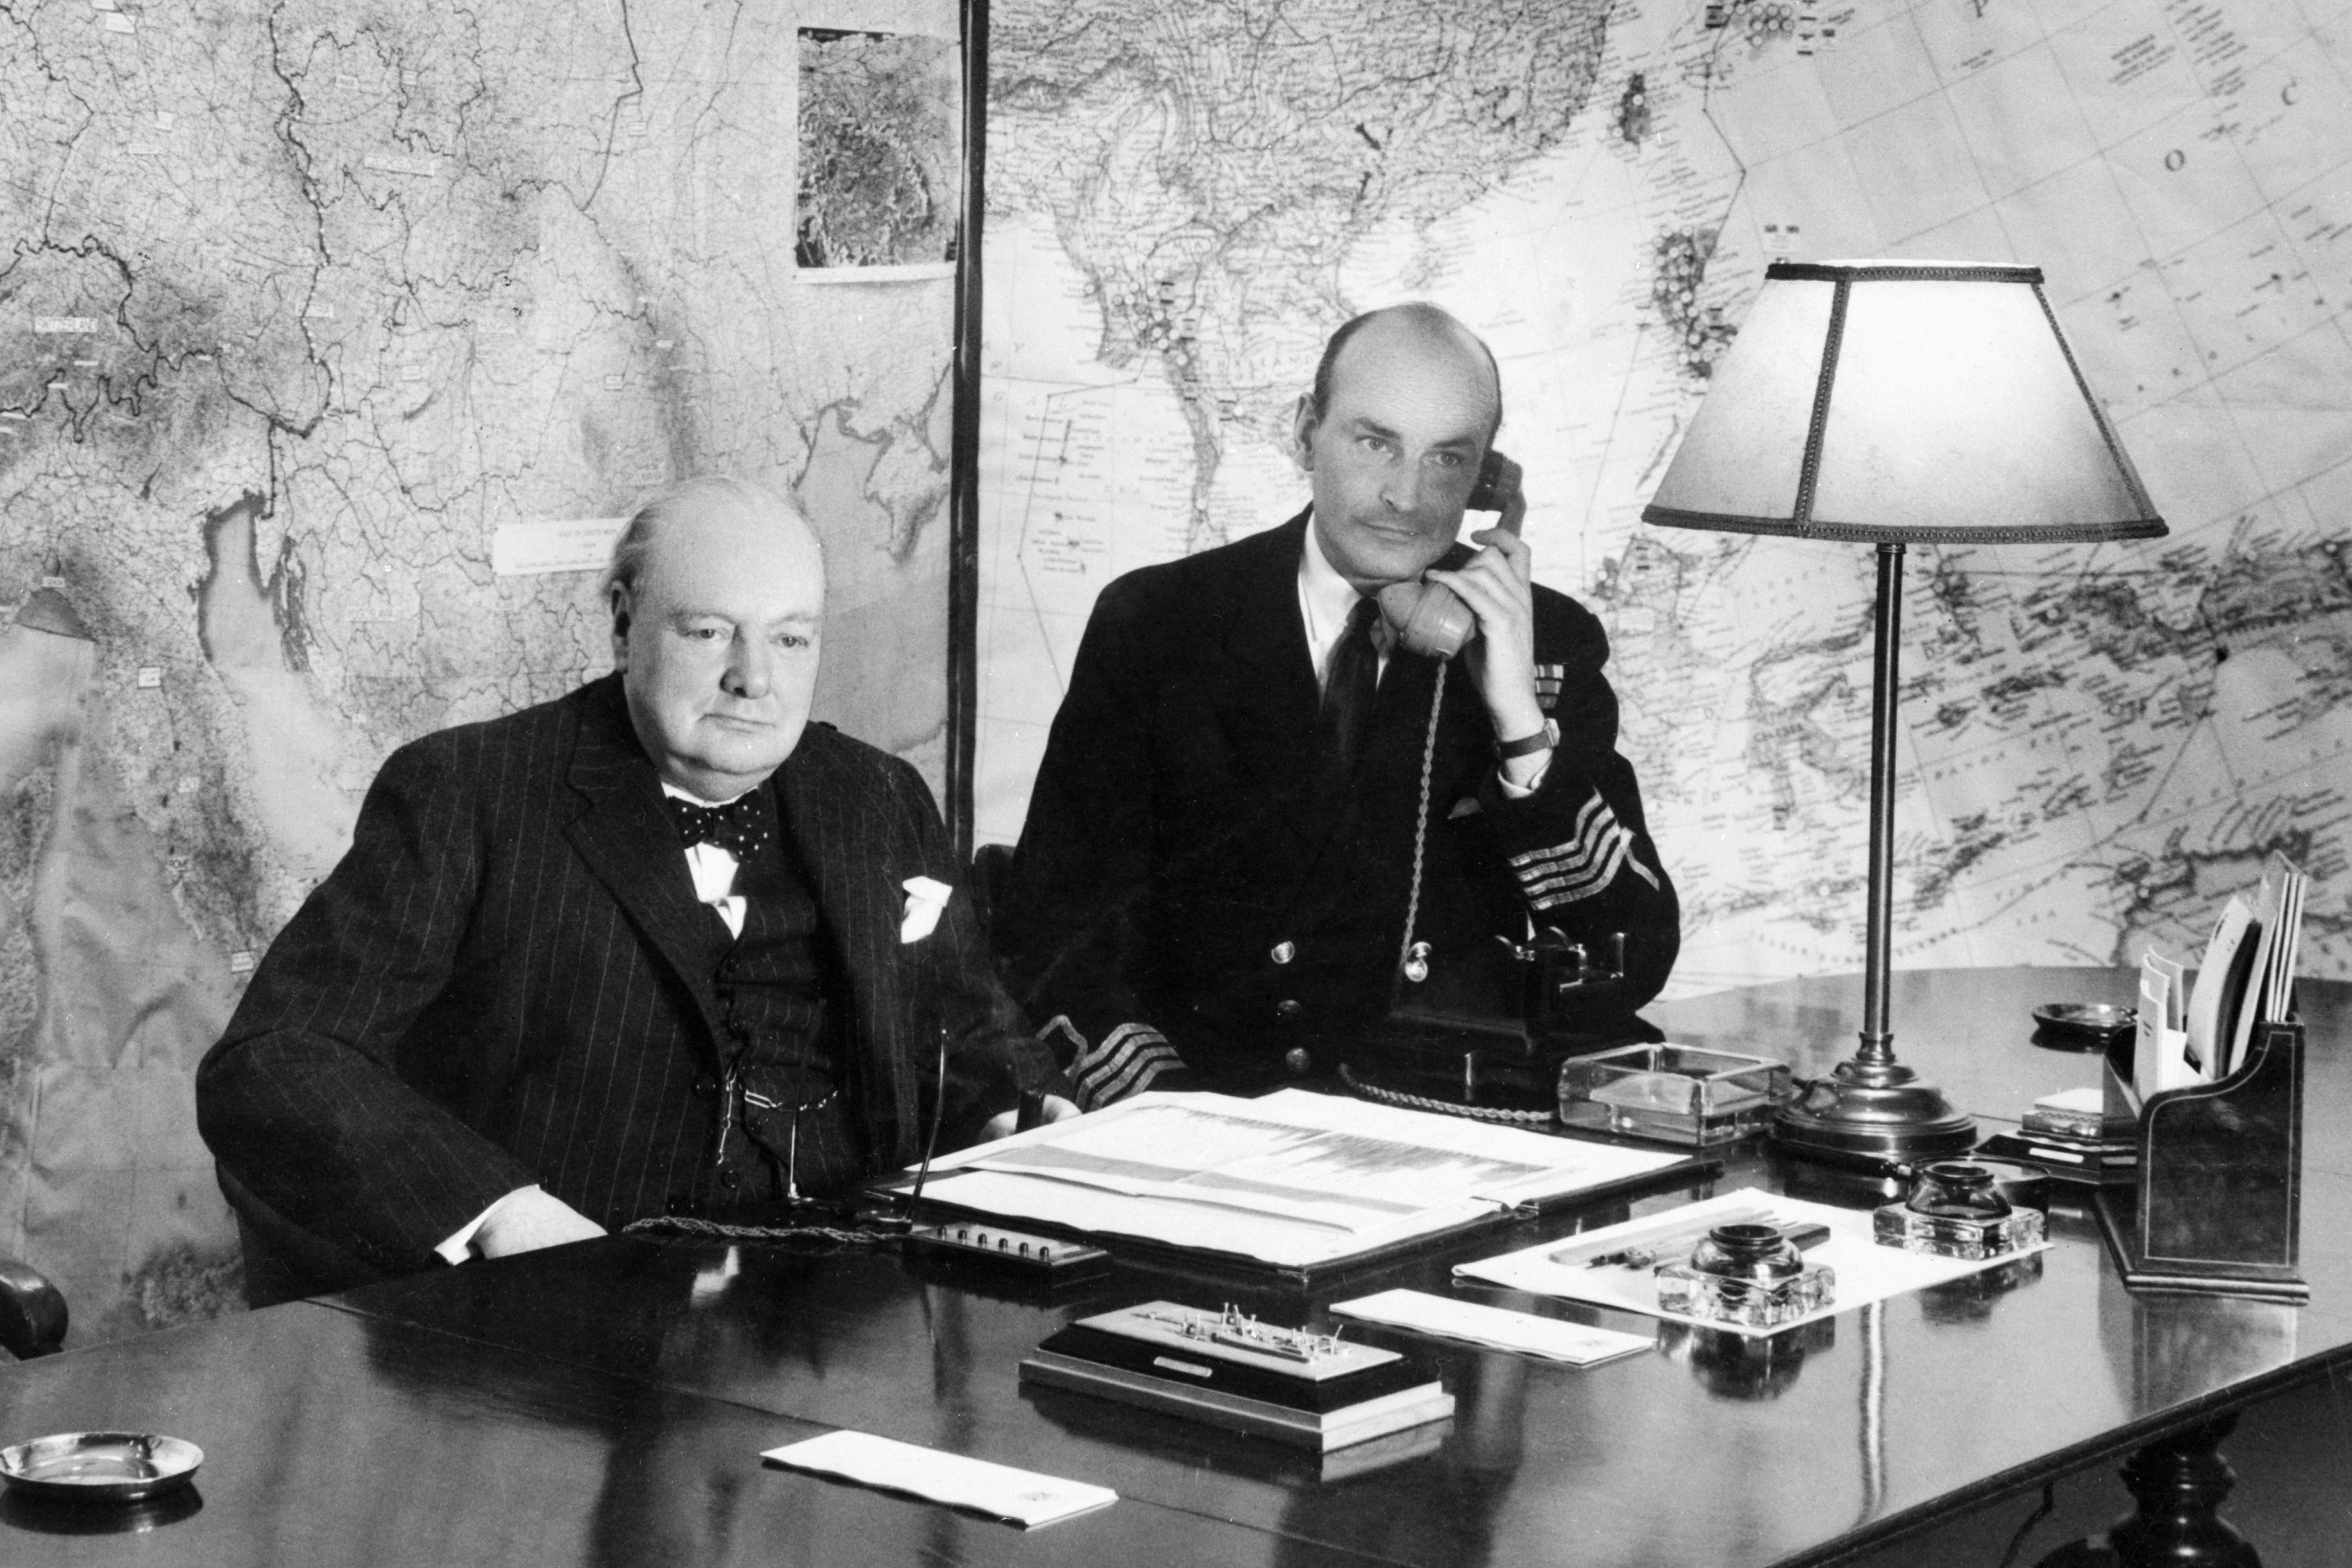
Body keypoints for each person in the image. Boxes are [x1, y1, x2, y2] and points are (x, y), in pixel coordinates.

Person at [198, 477, 1072, 1303]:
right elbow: (275, 1057)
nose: (754, 677)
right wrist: (505, 1215)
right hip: (568, 1330)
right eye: (708, 632)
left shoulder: (877, 796)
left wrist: (1012, 1116)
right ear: (624, 627)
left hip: (847, 1313)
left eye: (791, 638)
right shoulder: (470, 795)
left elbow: (978, 1040)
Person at [996, 303, 1679, 1105]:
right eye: (1374, 442)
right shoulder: (1160, 625)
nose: (1406, 497)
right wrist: (1170, 1113)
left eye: (1448, 461)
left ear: (1488, 482)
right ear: (1304, 433)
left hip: (1446, 1126)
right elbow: (1054, 932)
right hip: (1220, 1117)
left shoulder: (1545, 645)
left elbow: (1629, 963)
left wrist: (1519, 728)